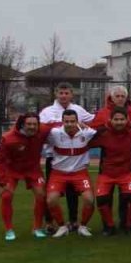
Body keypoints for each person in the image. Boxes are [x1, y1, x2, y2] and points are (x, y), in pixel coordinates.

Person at [40, 82, 93, 231]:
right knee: (50, 193)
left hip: (75, 159)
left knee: (73, 193)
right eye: (61, 93)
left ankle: (73, 221)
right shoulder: (46, 112)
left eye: (67, 93)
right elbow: (41, 131)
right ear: (56, 94)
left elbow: (94, 121)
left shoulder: (78, 110)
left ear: (71, 94)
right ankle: (50, 222)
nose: (63, 96)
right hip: (55, 157)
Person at [43, 109, 98, 237]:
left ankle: (82, 226)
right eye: (66, 121)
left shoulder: (87, 132)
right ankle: (62, 226)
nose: (69, 124)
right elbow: (39, 133)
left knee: (89, 199)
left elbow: (103, 132)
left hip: (80, 173)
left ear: (77, 121)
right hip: (58, 173)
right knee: (51, 200)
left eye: (72, 121)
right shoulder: (54, 133)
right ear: (62, 122)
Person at [0, 113, 48, 240]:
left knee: (41, 195)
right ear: (23, 124)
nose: (32, 127)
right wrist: (2, 181)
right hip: (12, 170)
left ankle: (37, 228)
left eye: (35, 124)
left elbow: (56, 125)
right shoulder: (9, 138)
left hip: (33, 169)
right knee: (6, 196)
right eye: (29, 124)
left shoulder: (42, 131)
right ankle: (9, 230)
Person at [90, 108, 131, 236]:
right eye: (116, 119)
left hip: (126, 173)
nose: (119, 122)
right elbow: (85, 142)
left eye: (122, 119)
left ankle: (128, 225)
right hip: (107, 174)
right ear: (110, 120)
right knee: (101, 199)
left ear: (127, 119)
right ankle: (109, 226)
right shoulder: (102, 133)